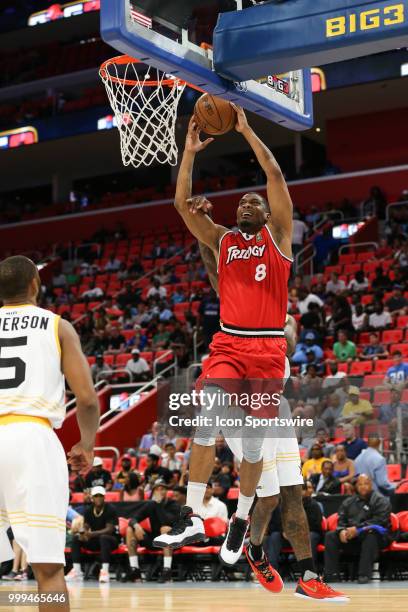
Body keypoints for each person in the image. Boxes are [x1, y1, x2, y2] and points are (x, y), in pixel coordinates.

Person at [154, 106, 293, 566]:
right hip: (230, 344)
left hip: (269, 349)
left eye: (255, 202)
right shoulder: (224, 241)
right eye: (242, 203)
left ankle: (242, 515)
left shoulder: (279, 238)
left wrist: (247, 129)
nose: (247, 205)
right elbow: (180, 206)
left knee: (253, 446)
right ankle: (191, 513)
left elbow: (273, 173)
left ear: (268, 212)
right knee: (206, 417)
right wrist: (189, 153)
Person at [196, 239, 345, 599]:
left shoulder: (283, 316)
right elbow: (214, 266)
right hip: (240, 412)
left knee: (292, 494)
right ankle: (248, 536)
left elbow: (289, 342)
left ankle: (306, 575)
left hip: (274, 409)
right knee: (269, 497)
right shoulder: (237, 300)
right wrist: (201, 233)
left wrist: (275, 320)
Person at [0, 256, 99, 612]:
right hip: (31, 438)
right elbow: (86, 399)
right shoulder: (56, 326)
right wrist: (87, 444)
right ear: (34, 286)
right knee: (48, 568)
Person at [324, 474, 391, 583]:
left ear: (371, 485)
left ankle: (364, 575)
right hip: (353, 537)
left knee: (370, 535)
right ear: (356, 486)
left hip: (377, 538)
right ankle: (331, 574)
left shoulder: (381, 501)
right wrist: (341, 530)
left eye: (366, 483)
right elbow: (341, 520)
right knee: (330, 536)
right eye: (360, 484)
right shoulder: (349, 502)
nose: (363, 486)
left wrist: (358, 529)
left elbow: (379, 521)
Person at [126, 479, 180, 583]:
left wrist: (158, 504)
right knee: (130, 529)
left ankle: (167, 571)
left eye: (162, 489)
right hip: (155, 539)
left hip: (173, 542)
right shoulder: (151, 504)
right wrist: (137, 526)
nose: (160, 491)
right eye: (157, 489)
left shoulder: (174, 505)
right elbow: (133, 518)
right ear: (153, 492)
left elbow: (166, 522)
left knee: (165, 529)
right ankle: (135, 570)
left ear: (166, 491)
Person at [265, 480, 324, 571]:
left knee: (312, 536)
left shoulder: (313, 505)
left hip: (306, 535)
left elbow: (316, 526)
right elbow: (275, 524)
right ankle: (272, 570)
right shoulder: (282, 505)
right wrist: (283, 531)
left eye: (300, 490)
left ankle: (310, 571)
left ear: (305, 492)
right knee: (274, 536)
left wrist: (299, 532)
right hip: (287, 538)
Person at [66, 487, 120, 583]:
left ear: (104, 497)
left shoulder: (110, 509)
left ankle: (104, 571)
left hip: (111, 541)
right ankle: (77, 572)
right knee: (76, 538)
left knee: (104, 538)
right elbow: (86, 526)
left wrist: (91, 534)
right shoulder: (89, 510)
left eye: (100, 496)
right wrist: (82, 532)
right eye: (96, 496)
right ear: (92, 498)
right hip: (95, 540)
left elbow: (109, 529)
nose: (98, 498)